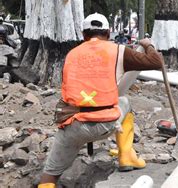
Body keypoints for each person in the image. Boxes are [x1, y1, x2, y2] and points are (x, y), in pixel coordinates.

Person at [38, 13, 164, 188]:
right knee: (125, 102)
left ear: (84, 35)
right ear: (108, 32)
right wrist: (148, 45)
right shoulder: (118, 51)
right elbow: (156, 61)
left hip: (72, 124)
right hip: (106, 123)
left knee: (49, 176)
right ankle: (126, 156)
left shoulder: (72, 54)